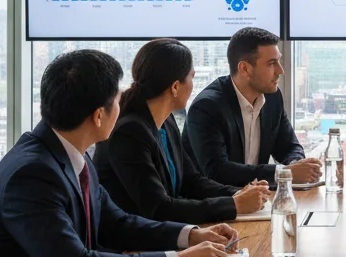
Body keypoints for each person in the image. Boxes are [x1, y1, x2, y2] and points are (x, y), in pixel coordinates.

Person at [0, 49, 235, 257]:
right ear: (98, 116)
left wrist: (190, 235)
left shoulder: (69, 154)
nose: (124, 103)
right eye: (117, 100)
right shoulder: (31, 176)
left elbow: (117, 223)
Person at [93, 39, 270, 225]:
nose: (193, 85)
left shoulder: (166, 120)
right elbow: (158, 208)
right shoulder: (130, 132)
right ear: (175, 87)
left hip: (166, 231)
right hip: (134, 243)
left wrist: (239, 193)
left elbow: (191, 181)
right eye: (191, 77)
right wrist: (233, 205)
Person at [183, 27, 321, 187]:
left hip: (257, 200)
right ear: (245, 69)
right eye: (272, 63)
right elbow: (217, 171)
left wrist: (297, 164)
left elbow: (288, 146)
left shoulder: (272, 97)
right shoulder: (207, 107)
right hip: (216, 204)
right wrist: (285, 173)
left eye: (279, 61)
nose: (280, 71)